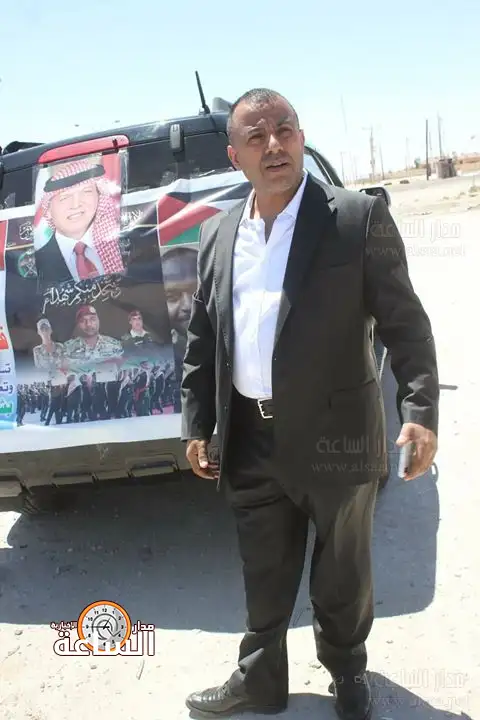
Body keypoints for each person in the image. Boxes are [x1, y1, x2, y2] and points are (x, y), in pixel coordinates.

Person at [180, 88, 439, 720]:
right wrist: (198, 422)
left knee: (342, 570)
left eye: (286, 129)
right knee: (263, 570)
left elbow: (405, 323)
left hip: (337, 434)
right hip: (249, 436)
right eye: (257, 136)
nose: (275, 145)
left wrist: (420, 412)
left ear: (300, 137)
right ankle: (260, 680)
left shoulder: (355, 219)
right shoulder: (216, 234)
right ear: (235, 156)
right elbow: (202, 337)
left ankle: (347, 673)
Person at [34, 158, 124, 285]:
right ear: (48, 210)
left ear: (99, 196)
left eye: (86, 192)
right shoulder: (35, 264)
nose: (76, 205)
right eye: (65, 197)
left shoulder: (124, 246)